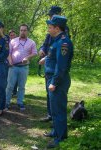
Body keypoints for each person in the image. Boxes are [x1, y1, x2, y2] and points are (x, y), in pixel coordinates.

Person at [44, 15, 73, 148]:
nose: (48, 29)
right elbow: (53, 59)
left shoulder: (63, 43)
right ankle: (56, 131)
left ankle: (60, 138)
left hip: (58, 81)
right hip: (52, 78)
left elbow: (61, 67)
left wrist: (54, 82)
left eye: (50, 27)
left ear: (57, 28)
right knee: (54, 109)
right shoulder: (56, 41)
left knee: (59, 110)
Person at [6, 24, 37, 111]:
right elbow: (8, 52)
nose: (23, 32)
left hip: (24, 67)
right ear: (19, 31)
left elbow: (35, 53)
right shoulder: (13, 41)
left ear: (27, 31)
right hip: (13, 67)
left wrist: (27, 57)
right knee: (9, 86)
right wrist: (10, 61)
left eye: (24, 30)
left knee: (22, 86)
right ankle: (6, 103)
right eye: (21, 30)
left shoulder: (32, 42)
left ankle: (20, 102)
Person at [39, 6, 62, 122]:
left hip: (55, 68)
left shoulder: (62, 31)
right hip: (48, 68)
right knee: (49, 94)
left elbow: (57, 52)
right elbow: (45, 44)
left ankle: (56, 119)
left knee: (54, 95)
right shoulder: (50, 32)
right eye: (50, 15)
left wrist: (46, 58)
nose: (50, 16)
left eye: (52, 15)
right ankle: (50, 114)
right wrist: (42, 49)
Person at [8, 29, 18, 97]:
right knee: (9, 78)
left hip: (17, 63)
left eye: (13, 35)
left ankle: (14, 91)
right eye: (11, 35)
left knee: (16, 78)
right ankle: (9, 91)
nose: (12, 36)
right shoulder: (7, 42)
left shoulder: (18, 42)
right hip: (8, 62)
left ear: (16, 35)